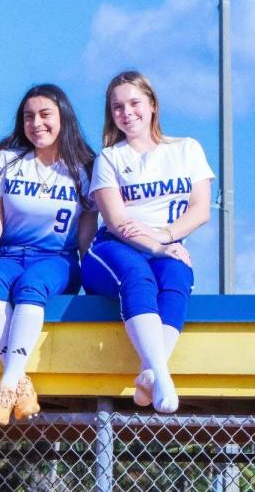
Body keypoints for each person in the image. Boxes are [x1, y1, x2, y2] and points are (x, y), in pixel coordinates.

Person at [0, 84, 97, 426]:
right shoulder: (6, 160)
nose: (36, 123)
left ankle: (5, 385)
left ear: (63, 118)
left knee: (31, 285)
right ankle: (19, 384)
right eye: (29, 116)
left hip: (57, 257)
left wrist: (93, 279)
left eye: (45, 115)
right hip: (10, 254)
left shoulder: (83, 165)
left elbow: (87, 230)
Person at [81, 71, 212, 414]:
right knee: (138, 274)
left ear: (152, 105)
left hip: (165, 245)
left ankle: (151, 374)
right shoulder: (110, 158)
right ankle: (163, 376)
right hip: (112, 249)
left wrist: (166, 239)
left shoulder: (186, 149)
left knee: (178, 275)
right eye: (117, 107)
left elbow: (200, 209)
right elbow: (117, 221)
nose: (127, 113)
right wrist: (157, 246)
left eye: (134, 103)